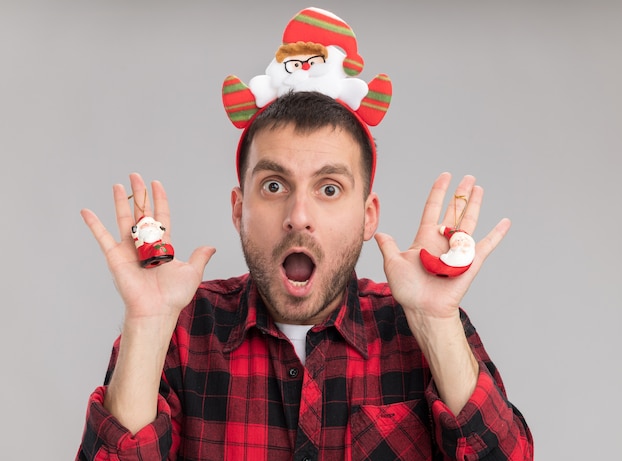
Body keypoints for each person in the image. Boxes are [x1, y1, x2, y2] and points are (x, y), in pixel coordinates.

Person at [76, 7, 533, 461]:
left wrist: (436, 326)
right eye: (274, 186)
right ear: (239, 210)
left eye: (329, 188)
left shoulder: (417, 328)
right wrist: (148, 327)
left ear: (368, 216)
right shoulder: (181, 331)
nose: (298, 215)